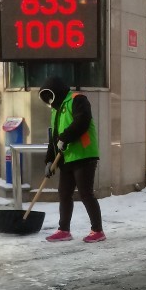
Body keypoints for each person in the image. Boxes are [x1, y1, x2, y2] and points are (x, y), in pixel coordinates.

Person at [38, 77, 106, 243]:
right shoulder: (55, 110)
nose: (49, 100)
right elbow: (54, 138)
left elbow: (82, 120)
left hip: (84, 155)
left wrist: (65, 137)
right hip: (67, 158)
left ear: (57, 91)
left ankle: (97, 230)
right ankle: (64, 229)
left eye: (50, 95)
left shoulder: (78, 99)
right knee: (64, 194)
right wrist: (49, 160)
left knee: (85, 193)